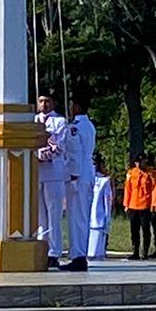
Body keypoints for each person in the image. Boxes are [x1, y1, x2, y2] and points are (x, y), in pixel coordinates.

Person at [63, 96, 96, 271]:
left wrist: (73, 175)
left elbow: (74, 152)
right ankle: (79, 253)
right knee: (82, 216)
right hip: (88, 172)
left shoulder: (74, 127)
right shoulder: (89, 125)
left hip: (78, 174)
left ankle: (78, 255)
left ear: (76, 107)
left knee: (76, 217)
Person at [35, 92, 69, 266]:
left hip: (53, 173)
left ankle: (54, 252)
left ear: (53, 103)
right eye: (41, 101)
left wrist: (38, 155)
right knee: (40, 215)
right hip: (36, 173)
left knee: (53, 214)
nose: (44, 104)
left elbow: (58, 147)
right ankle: (41, 248)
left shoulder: (60, 122)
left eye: (47, 101)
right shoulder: (32, 121)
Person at [123, 155, 155, 260]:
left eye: (144, 162)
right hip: (133, 205)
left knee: (146, 230)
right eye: (141, 162)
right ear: (136, 163)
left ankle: (145, 252)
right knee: (134, 230)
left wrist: (153, 204)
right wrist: (126, 205)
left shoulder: (150, 174)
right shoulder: (130, 173)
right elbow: (127, 190)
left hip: (145, 206)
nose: (143, 164)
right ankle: (135, 251)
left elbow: (154, 190)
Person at [89, 153, 114, 261]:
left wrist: (107, 218)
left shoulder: (104, 181)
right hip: (86, 220)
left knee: (96, 253)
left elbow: (107, 201)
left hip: (98, 219)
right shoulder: (86, 179)